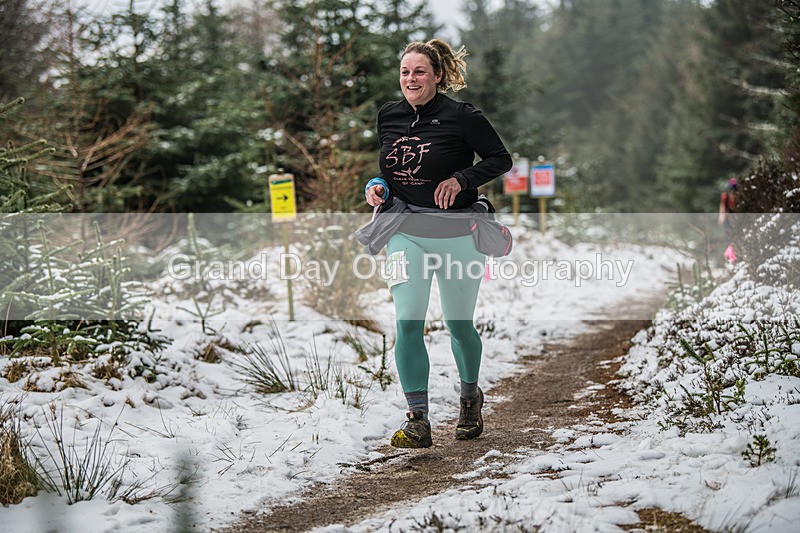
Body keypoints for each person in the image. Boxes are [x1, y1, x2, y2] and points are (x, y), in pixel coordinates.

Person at [363, 39, 512, 448]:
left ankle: (469, 397)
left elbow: (501, 159)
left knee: (458, 324)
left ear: (438, 75)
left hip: (457, 236)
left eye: (420, 72)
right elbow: (390, 172)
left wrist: (462, 179)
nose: (411, 79)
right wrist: (376, 186)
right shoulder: (388, 116)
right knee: (406, 323)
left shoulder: (462, 116)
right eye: (405, 72)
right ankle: (418, 419)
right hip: (405, 232)